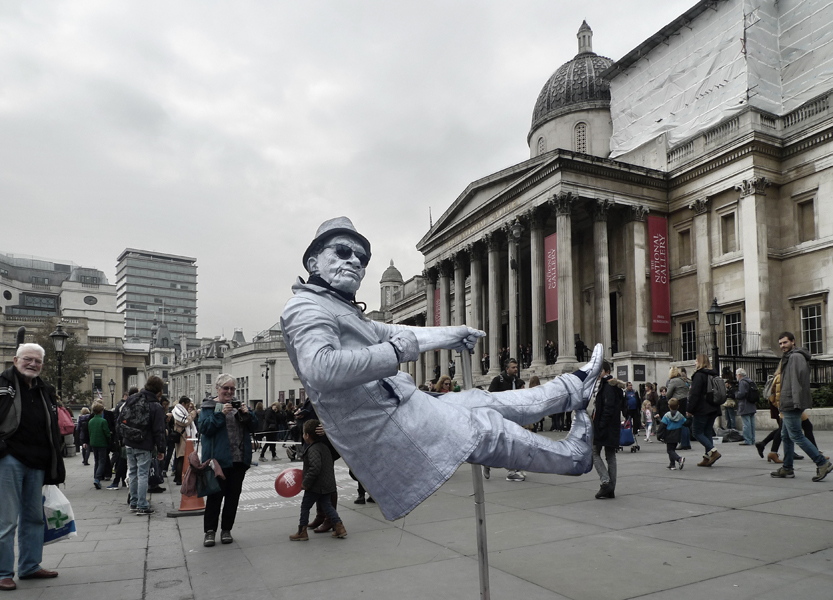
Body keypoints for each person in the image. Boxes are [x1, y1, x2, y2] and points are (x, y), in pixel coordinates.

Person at [281, 217, 603, 521]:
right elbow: (320, 368)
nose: (354, 261)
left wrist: (453, 333)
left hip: (401, 404)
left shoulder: (342, 310)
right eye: (342, 251)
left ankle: (571, 389)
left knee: (483, 401)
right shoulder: (306, 308)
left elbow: (399, 333)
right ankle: (572, 456)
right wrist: (394, 352)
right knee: (484, 429)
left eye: (361, 258)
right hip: (384, 421)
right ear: (313, 262)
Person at [0, 343, 65, 590]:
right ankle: (3, 572)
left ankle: (29, 565)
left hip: (37, 461)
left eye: (37, 361)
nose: (33, 364)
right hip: (9, 459)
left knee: (34, 518)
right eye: (28, 359)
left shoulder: (44, 389)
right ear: (16, 360)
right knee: (6, 520)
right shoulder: (3, 384)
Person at [199, 374, 258, 547]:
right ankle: (210, 532)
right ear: (217, 389)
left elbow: (255, 426)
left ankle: (226, 530)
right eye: (226, 388)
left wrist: (249, 415)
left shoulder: (238, 406)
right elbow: (204, 428)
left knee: (233, 497)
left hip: (239, 460)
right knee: (215, 497)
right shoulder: (209, 407)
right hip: (217, 461)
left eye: (232, 388)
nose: (230, 391)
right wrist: (220, 414)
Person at [771, 332, 833, 481]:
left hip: (791, 402)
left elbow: (797, 381)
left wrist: (795, 402)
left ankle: (822, 463)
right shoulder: (789, 357)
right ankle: (787, 468)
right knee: (785, 436)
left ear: (793, 341)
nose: (782, 346)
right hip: (787, 402)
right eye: (780, 343)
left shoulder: (795, 357)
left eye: (785, 342)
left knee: (796, 436)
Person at [289, 420, 347, 541]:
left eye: (303, 433)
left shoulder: (313, 449)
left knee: (305, 507)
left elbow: (315, 468)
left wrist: (306, 483)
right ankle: (339, 527)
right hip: (327, 484)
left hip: (315, 486)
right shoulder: (325, 447)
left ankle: (302, 531)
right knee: (327, 506)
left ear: (307, 436)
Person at [123, 376, 167, 515]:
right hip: (144, 443)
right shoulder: (155, 405)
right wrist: (161, 449)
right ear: (159, 391)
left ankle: (134, 502)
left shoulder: (132, 399)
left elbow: (121, 419)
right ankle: (142, 505)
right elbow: (159, 430)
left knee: (133, 472)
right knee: (143, 474)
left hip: (129, 442)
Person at [591, 361, 623, 499]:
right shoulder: (613, 386)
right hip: (612, 426)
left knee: (594, 452)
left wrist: (601, 425)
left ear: (606, 371)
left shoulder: (608, 386)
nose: (597, 374)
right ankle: (611, 488)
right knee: (610, 456)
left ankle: (606, 482)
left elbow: (607, 408)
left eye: (599, 371)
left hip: (605, 426)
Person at [687, 354, 721, 467]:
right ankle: (707, 457)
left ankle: (713, 451)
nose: (695, 363)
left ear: (700, 362)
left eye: (696, 361)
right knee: (707, 432)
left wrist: (690, 409)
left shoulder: (699, 375)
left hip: (702, 408)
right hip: (714, 407)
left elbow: (695, 394)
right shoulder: (713, 374)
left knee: (696, 432)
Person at [171, 396, 196, 485]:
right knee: (180, 457)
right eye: (187, 405)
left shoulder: (180, 411)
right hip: (181, 437)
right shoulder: (177, 411)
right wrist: (192, 414)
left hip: (182, 436)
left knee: (180, 457)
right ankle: (179, 478)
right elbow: (185, 422)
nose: (188, 407)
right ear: (183, 404)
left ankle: (179, 477)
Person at [86, 401, 111, 489]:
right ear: (101, 411)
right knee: (102, 461)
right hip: (102, 443)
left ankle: (96, 477)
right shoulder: (103, 421)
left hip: (93, 443)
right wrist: (110, 439)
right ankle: (97, 478)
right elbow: (107, 433)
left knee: (96, 461)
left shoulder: (91, 421)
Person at [666, 366, 691, 450]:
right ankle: (687, 442)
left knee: (680, 422)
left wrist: (668, 399)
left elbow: (668, 393)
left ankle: (683, 443)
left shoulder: (673, 381)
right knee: (684, 421)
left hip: (678, 401)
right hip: (685, 400)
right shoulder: (682, 380)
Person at [660, 398, 686, 470]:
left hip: (669, 434)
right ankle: (672, 464)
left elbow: (662, 425)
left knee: (669, 450)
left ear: (669, 406)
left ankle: (679, 459)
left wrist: (659, 435)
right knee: (672, 450)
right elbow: (686, 423)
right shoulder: (680, 416)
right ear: (678, 406)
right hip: (677, 434)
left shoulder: (667, 415)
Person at [735, 368, 758, 446]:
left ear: (739, 375)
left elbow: (741, 393)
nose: (736, 376)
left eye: (736, 375)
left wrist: (736, 394)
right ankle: (752, 439)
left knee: (746, 424)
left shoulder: (742, 382)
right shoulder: (750, 381)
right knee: (752, 423)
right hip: (752, 404)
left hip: (744, 404)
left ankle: (747, 440)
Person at [721, 367, 738, 431]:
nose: (725, 385)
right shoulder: (727, 389)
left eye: (726, 384)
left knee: (731, 416)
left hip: (730, 403)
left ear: (729, 384)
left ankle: (733, 427)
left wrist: (728, 395)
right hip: (726, 404)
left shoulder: (732, 389)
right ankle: (728, 427)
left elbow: (733, 395)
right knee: (727, 416)